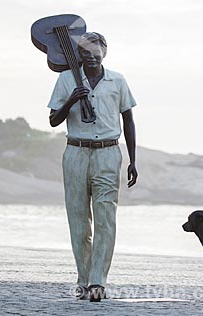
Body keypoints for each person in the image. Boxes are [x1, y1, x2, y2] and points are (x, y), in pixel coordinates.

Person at [48, 32, 138, 301]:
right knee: (78, 221)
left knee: (106, 220)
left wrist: (133, 160)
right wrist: (72, 99)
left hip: (109, 153)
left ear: (104, 54)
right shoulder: (66, 80)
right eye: (86, 54)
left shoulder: (117, 80)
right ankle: (83, 278)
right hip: (75, 152)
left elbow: (129, 121)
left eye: (96, 54)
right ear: (79, 55)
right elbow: (53, 120)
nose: (91, 58)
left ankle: (98, 280)